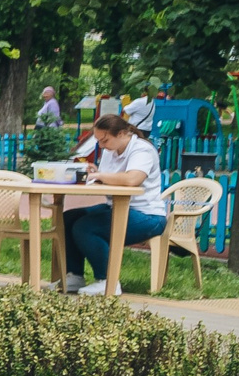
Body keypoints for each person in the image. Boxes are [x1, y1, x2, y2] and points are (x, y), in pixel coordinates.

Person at [64, 113, 168, 294]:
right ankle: (75, 276)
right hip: (117, 207)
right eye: (98, 141)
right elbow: (109, 177)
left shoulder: (141, 150)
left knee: (86, 227)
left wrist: (99, 176)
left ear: (121, 134)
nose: (101, 145)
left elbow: (132, 179)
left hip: (147, 216)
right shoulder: (110, 151)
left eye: (105, 140)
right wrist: (97, 173)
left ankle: (107, 281)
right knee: (69, 217)